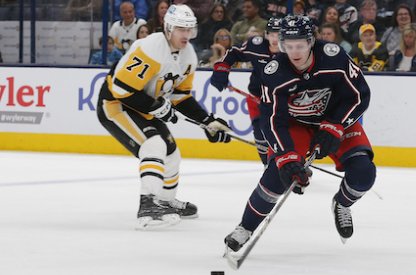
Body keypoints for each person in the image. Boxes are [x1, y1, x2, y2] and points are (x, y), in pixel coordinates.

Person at [224, 15, 376, 251]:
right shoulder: (274, 71)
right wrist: (287, 156)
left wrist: (335, 125)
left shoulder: (335, 57)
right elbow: (273, 120)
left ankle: (342, 204)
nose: (295, 52)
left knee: (364, 173)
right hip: (297, 124)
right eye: (289, 46)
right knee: (276, 175)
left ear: (311, 42)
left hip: (335, 119)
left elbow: (359, 96)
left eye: (300, 46)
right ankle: (245, 227)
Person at [97, 4, 232, 229]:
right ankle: (148, 203)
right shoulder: (150, 48)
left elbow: (180, 97)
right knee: (154, 145)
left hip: (143, 106)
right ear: (168, 28)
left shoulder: (188, 55)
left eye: (189, 29)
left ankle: (165, 201)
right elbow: (120, 90)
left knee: (172, 154)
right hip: (115, 105)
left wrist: (207, 122)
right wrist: (157, 107)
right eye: (181, 29)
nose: (186, 35)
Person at [210, 17, 282, 165]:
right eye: (272, 34)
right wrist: (222, 70)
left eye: (279, 34)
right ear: (266, 35)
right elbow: (233, 53)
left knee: (280, 134)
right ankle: (268, 166)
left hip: (282, 101)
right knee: (260, 133)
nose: (275, 39)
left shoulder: (292, 51)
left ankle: (287, 161)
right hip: (257, 98)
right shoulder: (256, 46)